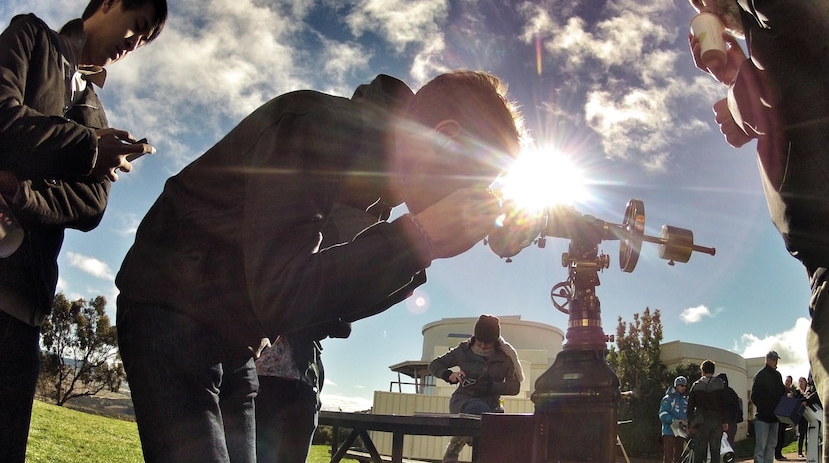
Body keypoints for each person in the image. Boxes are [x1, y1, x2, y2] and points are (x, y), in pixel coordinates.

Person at [114, 71, 525, 462]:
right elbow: (283, 296)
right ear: (446, 138)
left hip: (235, 340)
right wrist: (416, 239)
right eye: (478, 180)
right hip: (170, 313)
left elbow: (318, 305)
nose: (476, 196)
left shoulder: (378, 185)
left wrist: (421, 248)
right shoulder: (317, 129)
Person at [681, 0, 829, 459]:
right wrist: (742, 77)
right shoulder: (780, 20)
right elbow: (812, 85)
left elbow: (821, 66)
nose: (701, 8)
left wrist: (739, 97)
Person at [0, 0, 167, 461]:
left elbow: (92, 206)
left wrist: (17, 189)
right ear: (110, 2)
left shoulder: (97, 111)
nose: (133, 44)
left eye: (144, 41)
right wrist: (87, 149)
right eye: (136, 27)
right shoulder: (30, 36)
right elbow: (2, 117)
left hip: (24, 304)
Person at [254, 202, 376, 463]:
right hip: (269, 378)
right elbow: (337, 323)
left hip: (301, 376)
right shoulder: (272, 264)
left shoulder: (319, 275)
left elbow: (342, 325)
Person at [428, 314, 523, 463]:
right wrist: (449, 375)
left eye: (488, 343)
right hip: (464, 400)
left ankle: (474, 450)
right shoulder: (463, 351)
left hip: (492, 405)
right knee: (478, 410)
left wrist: (492, 386)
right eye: (480, 341)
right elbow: (434, 365)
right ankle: (456, 445)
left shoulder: (506, 357)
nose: (483, 346)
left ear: (496, 340)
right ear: (475, 337)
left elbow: (515, 387)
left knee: (496, 430)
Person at [686, 360, 734, 463]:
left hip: (700, 422)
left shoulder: (696, 385)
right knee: (715, 451)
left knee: (699, 451)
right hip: (717, 421)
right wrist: (725, 421)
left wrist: (690, 423)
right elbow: (725, 404)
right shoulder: (720, 384)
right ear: (713, 371)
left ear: (702, 371)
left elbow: (690, 407)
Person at [751, 351, 784, 463]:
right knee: (761, 447)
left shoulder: (778, 375)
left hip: (775, 417)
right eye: (774, 359)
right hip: (762, 417)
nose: (776, 362)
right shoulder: (760, 375)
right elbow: (754, 396)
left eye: (777, 359)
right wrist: (766, 408)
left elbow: (781, 394)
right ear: (768, 360)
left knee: (771, 446)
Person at [659, 376, 689, 463]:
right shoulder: (668, 399)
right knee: (669, 456)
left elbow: (687, 414)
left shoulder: (685, 400)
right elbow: (662, 414)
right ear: (676, 386)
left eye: (685, 386)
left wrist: (687, 423)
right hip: (669, 431)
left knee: (679, 456)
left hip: (681, 432)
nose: (684, 388)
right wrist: (675, 421)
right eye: (681, 385)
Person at [716, 372, 743, 449]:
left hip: (720, 423)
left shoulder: (718, 393)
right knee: (730, 445)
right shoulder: (732, 392)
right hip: (732, 422)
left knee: (719, 446)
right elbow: (737, 407)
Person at [775, 375, 794, 461]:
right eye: (786, 380)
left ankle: (779, 453)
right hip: (778, 416)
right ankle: (777, 454)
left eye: (789, 381)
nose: (787, 382)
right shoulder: (780, 389)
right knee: (778, 436)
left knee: (782, 436)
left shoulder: (790, 393)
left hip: (785, 417)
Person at [794, 376, 814, 459]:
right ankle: (799, 451)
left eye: (802, 381)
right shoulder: (797, 392)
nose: (801, 383)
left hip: (808, 415)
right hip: (801, 416)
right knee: (801, 434)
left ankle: (807, 450)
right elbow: (796, 401)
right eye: (799, 381)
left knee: (808, 434)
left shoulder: (808, 391)